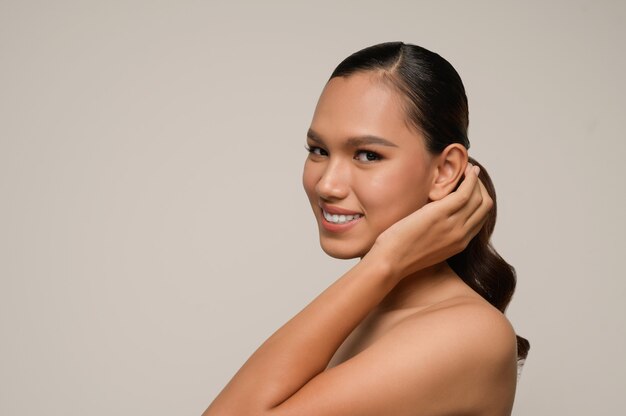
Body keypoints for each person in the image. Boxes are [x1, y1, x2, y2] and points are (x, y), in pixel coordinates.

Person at [203, 41, 529, 416]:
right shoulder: (371, 313)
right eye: (318, 150)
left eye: (367, 155)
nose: (327, 184)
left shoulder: (469, 333)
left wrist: (384, 262)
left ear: (445, 171)